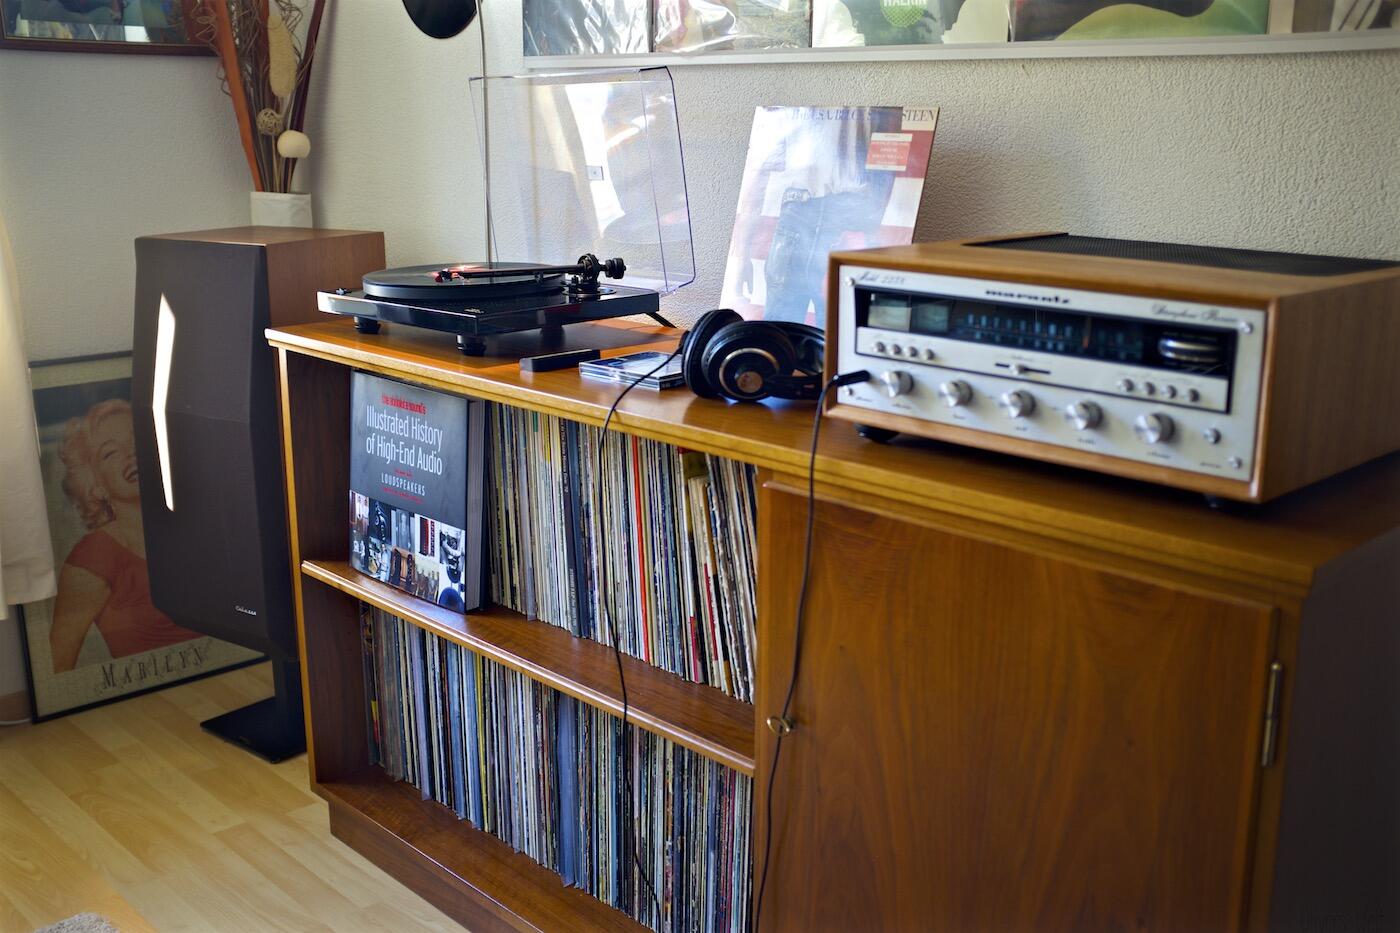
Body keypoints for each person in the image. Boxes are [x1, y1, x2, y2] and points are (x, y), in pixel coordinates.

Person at [48, 399, 198, 672]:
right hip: (148, 699)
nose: (130, 455)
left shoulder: (197, 525)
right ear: (95, 484)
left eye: (135, 440)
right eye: (110, 453)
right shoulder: (93, 558)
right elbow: (59, 665)